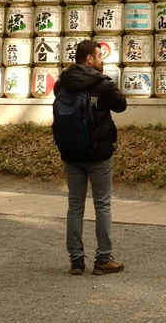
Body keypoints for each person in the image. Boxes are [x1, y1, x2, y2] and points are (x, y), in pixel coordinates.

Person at [53, 39, 127, 276]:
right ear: (89, 59)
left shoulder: (63, 83)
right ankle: (103, 259)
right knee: (102, 205)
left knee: (74, 206)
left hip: (71, 153)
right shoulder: (102, 84)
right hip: (98, 154)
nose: (101, 60)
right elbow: (121, 105)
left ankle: (76, 260)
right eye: (99, 56)